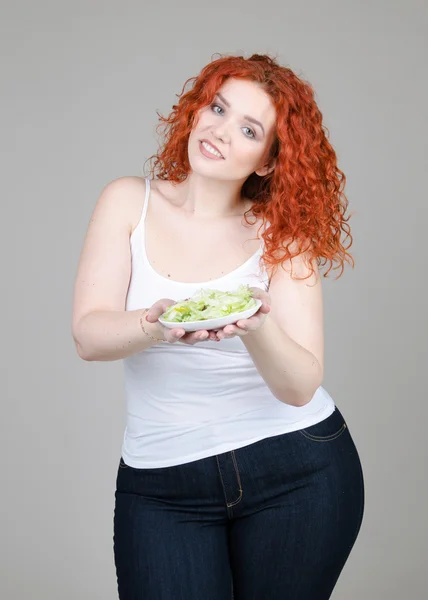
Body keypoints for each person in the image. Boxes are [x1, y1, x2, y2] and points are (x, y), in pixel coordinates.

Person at [71, 53, 365, 600]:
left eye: (249, 129)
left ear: (268, 162)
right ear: (196, 110)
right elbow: (89, 335)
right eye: (218, 108)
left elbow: (299, 385)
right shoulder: (126, 202)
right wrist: (155, 327)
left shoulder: (281, 234)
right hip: (162, 486)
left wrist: (256, 325)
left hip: (297, 471)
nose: (220, 131)